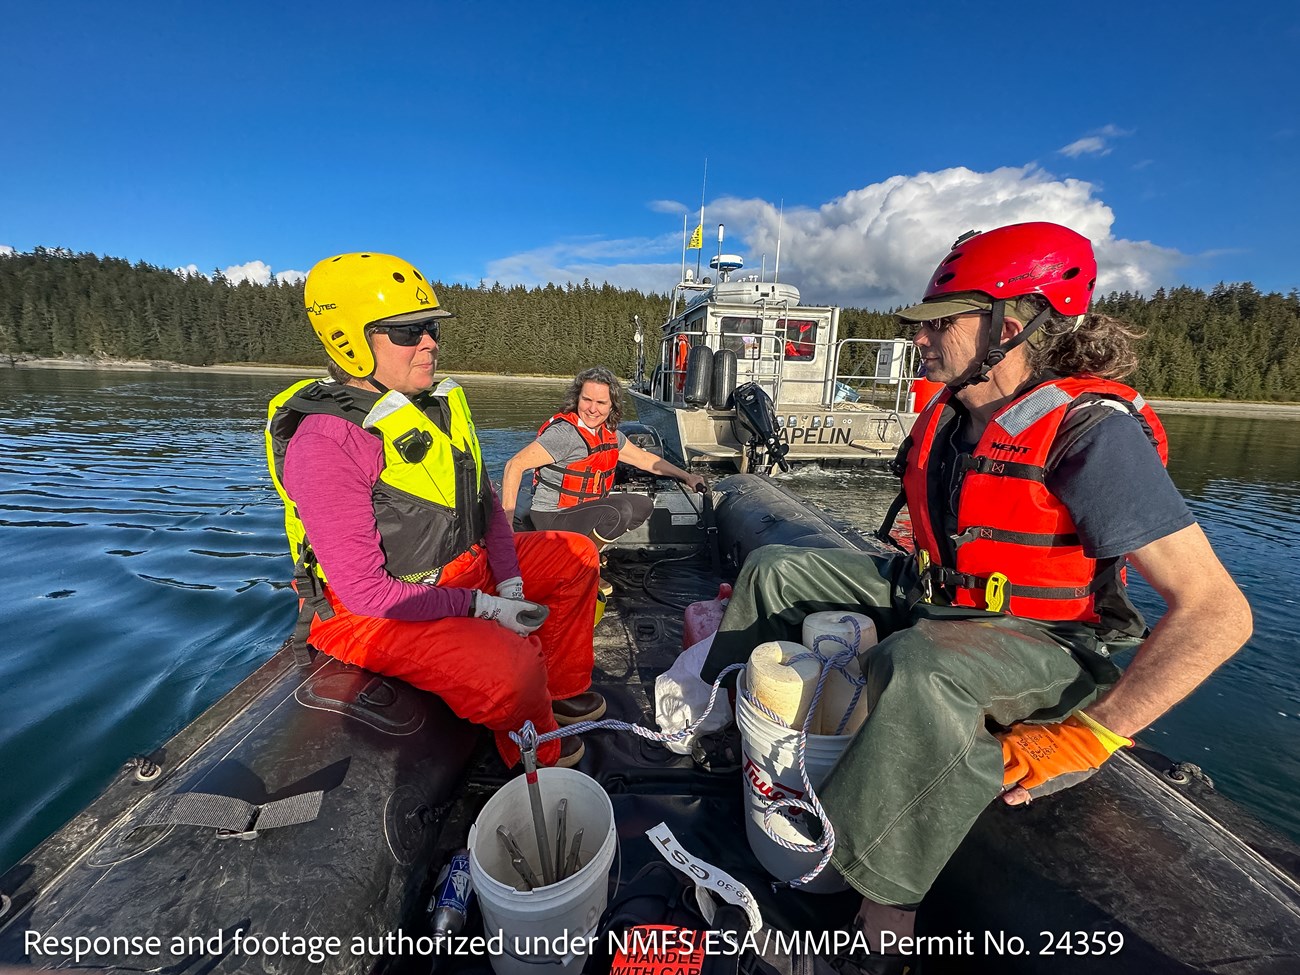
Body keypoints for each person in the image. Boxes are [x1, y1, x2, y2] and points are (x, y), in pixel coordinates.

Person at [700, 222, 1253, 972]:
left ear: (1014, 322)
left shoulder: (1089, 431)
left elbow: (1219, 613)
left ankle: (877, 926)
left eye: (943, 321)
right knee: (776, 568)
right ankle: (724, 734)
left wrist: (1095, 733)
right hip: (943, 598)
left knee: (921, 664)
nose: (921, 339)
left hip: (1047, 639)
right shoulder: (956, 416)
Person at [266, 252, 605, 770]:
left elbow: (486, 505)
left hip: (462, 570)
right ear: (349, 342)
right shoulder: (326, 443)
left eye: (430, 328)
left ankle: (559, 693)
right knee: (513, 669)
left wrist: (509, 582)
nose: (429, 343)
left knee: (576, 555)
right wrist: (483, 608)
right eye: (408, 332)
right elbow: (365, 592)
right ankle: (540, 756)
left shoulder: (435, 409)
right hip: (372, 612)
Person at [500, 366, 707, 558]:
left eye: (600, 403)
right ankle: (585, 561)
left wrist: (687, 476)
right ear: (576, 399)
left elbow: (645, 459)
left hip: (585, 510)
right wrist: (506, 523)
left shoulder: (609, 434)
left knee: (642, 505)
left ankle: (583, 555)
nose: (592, 409)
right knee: (618, 513)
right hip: (553, 515)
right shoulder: (564, 434)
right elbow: (514, 465)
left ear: (611, 406)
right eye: (586, 400)